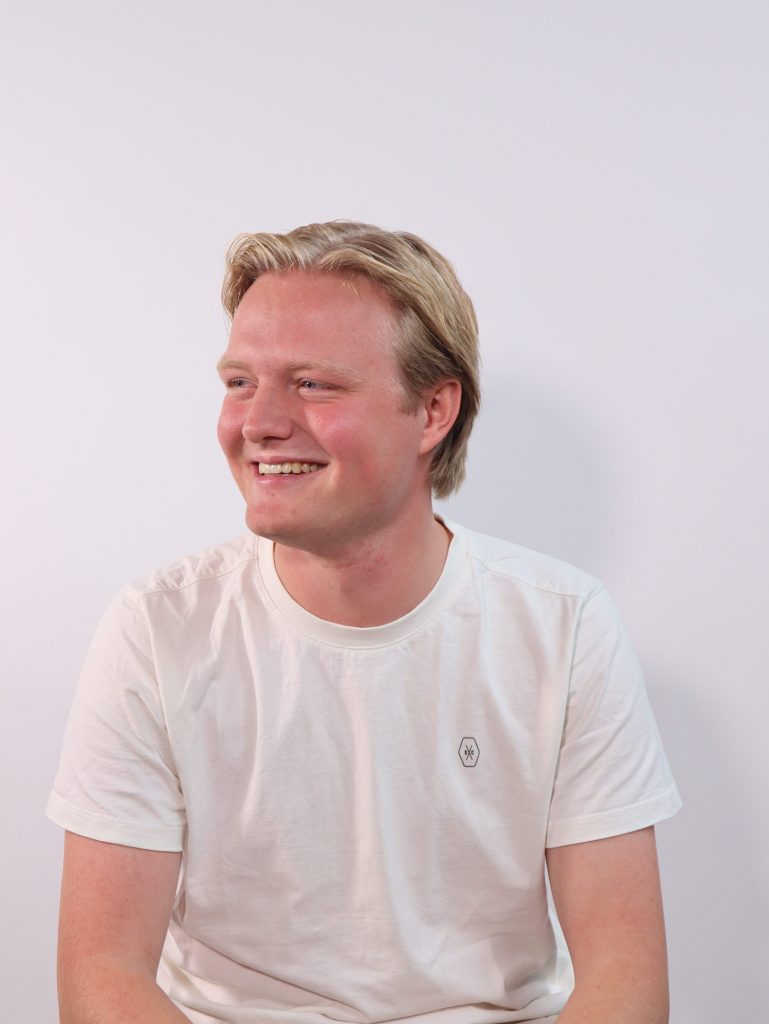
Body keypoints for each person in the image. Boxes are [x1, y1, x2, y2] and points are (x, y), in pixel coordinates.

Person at [47, 220, 681, 1024]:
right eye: (240, 381)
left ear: (431, 411)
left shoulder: (562, 624)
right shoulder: (158, 627)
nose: (258, 422)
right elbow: (103, 973)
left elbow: (624, 971)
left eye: (312, 383)